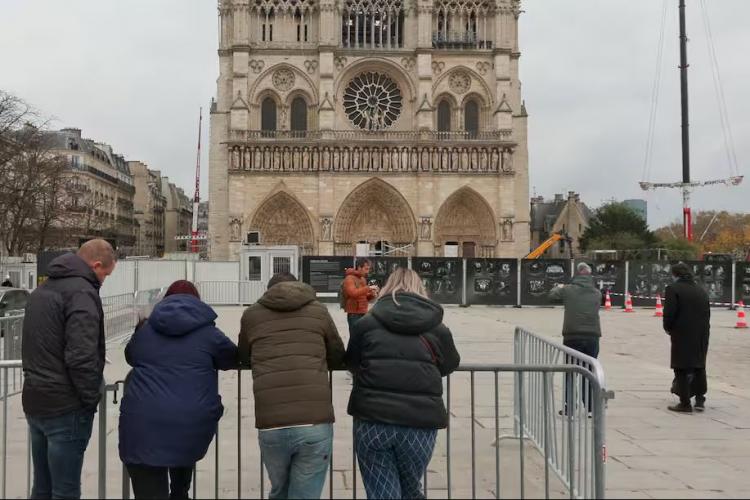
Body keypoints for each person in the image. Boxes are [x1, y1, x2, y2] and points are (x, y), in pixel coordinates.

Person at [346, 268, 460, 499]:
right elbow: (450, 364)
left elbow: (352, 362)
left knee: (382, 492)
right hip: (420, 421)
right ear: (421, 289)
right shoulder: (438, 328)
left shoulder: (366, 324)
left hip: (373, 419)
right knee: (410, 490)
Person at [119, 280, 238, 499]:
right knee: (183, 448)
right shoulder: (209, 333)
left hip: (142, 422)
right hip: (190, 419)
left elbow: (130, 356)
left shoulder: (146, 330)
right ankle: (180, 492)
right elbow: (232, 357)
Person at [22, 239, 116, 499]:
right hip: (65, 406)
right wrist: (90, 398)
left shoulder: (42, 289)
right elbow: (81, 356)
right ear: (96, 265)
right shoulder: (82, 293)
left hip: (35, 400)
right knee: (65, 491)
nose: (104, 281)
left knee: (42, 487)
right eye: (106, 274)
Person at [238, 272, 345, 499]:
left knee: (279, 491)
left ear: (268, 290)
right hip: (313, 420)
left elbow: (244, 357)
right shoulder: (318, 310)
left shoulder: (251, 314)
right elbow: (337, 355)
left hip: (271, 421)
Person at [549, 262, 602, 414]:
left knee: (570, 371)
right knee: (589, 371)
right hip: (592, 336)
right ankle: (591, 407)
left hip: (572, 336)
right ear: (590, 275)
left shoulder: (567, 290)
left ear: (577, 273)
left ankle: (570, 406)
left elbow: (551, 296)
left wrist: (559, 287)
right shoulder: (597, 293)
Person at [663, 263, 710, 413]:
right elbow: (707, 313)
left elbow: (669, 312)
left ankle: (685, 403)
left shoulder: (673, 289)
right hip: (701, 333)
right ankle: (700, 399)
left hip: (682, 332)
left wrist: (668, 327)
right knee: (699, 365)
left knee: (681, 366)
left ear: (675, 274)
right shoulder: (700, 289)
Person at [342, 258, 378, 331]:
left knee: (363, 335)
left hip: (363, 312)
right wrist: (368, 288)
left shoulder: (362, 279)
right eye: (366, 269)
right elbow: (353, 293)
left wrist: (372, 294)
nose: (367, 271)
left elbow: (364, 297)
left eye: (369, 269)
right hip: (354, 314)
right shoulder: (349, 278)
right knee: (355, 336)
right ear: (359, 267)